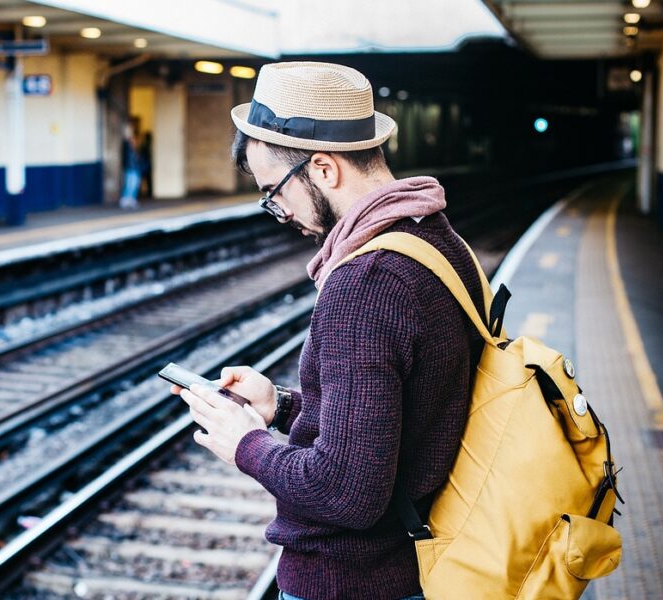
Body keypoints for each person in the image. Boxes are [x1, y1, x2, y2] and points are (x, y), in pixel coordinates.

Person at [172, 62, 485, 600]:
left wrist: (244, 442)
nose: (279, 211)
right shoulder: (436, 241)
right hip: (423, 558)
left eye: (275, 191)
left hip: (356, 582)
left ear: (322, 168)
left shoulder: (364, 283)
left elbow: (345, 492)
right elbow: (403, 417)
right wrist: (282, 407)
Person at [120, 122, 141, 209]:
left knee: (134, 183)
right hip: (130, 167)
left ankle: (131, 199)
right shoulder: (126, 145)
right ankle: (126, 200)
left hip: (134, 167)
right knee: (129, 184)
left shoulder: (133, 149)